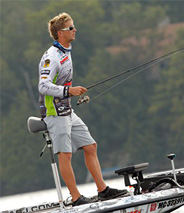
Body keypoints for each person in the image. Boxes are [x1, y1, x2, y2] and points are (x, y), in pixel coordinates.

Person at [38, 12, 127, 207]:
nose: (75, 30)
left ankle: (103, 190)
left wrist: (69, 93)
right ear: (60, 33)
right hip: (54, 113)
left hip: (67, 110)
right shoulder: (51, 57)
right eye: (71, 28)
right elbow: (43, 86)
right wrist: (69, 90)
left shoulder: (66, 52)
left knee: (90, 146)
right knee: (65, 154)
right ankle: (76, 197)